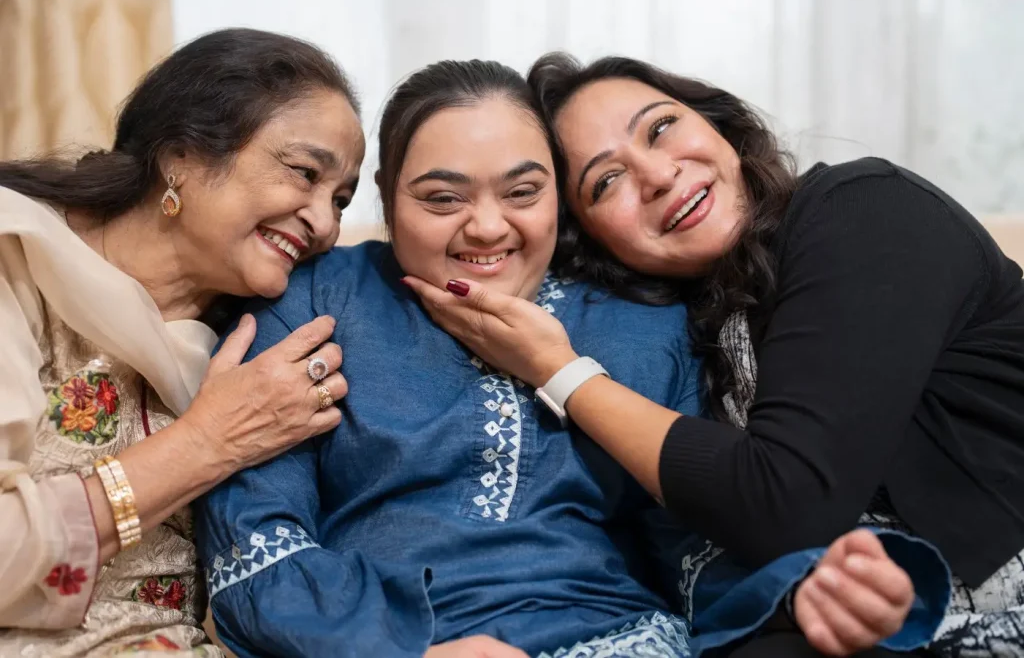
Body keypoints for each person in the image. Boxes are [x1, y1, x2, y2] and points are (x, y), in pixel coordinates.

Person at [197, 59, 948, 658]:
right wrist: (407, 649)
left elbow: (687, 546)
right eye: (440, 198)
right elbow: (256, 542)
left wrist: (797, 592)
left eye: (523, 191)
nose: (487, 227)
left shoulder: (643, 321)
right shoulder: (318, 299)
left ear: (561, 198)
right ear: (388, 202)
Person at [403, 52, 1024, 656]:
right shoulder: (691, 328)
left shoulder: (863, 207)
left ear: (719, 125)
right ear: (589, 241)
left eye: (661, 127)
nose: (658, 174)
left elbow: (787, 499)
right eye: (606, 180)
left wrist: (559, 372)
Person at [0, 28, 363, 656]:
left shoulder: (264, 349)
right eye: (305, 174)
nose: (326, 224)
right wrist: (207, 443)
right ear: (182, 157)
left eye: (341, 199)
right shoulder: (18, 257)